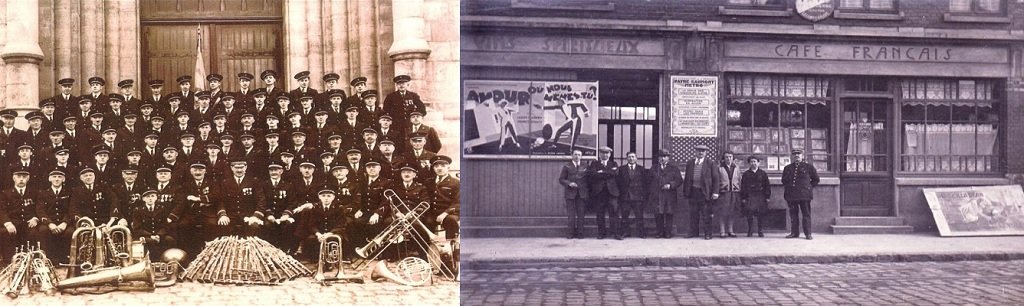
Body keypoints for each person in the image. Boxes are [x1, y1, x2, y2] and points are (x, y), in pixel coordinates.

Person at [682, 145, 720, 240]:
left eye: (702, 151)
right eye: (699, 151)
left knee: (706, 214)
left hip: (705, 192)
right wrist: (686, 191)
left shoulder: (710, 163)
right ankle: (693, 232)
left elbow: (716, 179)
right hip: (693, 191)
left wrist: (715, 192)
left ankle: (708, 234)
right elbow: (687, 178)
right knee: (693, 213)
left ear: (706, 152)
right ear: (695, 152)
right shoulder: (690, 163)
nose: (700, 153)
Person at [782, 149, 819, 240]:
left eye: (798, 154)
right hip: (792, 195)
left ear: (802, 156)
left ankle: (808, 233)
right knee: (793, 215)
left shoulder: (808, 167)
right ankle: (794, 233)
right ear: (792, 157)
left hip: (804, 195)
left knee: (806, 214)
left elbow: (816, 180)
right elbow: (784, 180)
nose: (796, 156)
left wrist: (808, 188)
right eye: (794, 155)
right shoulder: (787, 168)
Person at [587, 146, 620, 240]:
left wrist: (601, 172)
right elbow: (592, 174)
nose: (605, 155)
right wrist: (608, 173)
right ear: (600, 154)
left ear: (610, 154)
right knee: (600, 213)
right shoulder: (594, 163)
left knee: (614, 213)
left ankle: (615, 233)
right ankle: (602, 233)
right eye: (603, 153)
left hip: (612, 193)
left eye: (607, 153)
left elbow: (615, 173)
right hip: (599, 192)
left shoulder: (614, 163)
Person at [648, 149, 682, 238]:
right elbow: (649, 180)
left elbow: (679, 180)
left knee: (669, 213)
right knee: (658, 214)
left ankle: (668, 232)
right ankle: (659, 232)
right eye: (660, 157)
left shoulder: (674, 168)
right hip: (657, 195)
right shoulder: (654, 168)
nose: (662, 159)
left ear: (668, 158)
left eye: (664, 157)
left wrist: (670, 185)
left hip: (669, 195)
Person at [558, 149, 588, 239]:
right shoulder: (567, 166)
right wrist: (569, 183)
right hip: (570, 193)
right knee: (571, 214)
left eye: (579, 155)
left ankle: (580, 234)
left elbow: (588, 179)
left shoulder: (585, 165)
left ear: (581, 156)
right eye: (575, 154)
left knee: (581, 214)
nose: (577, 156)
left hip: (582, 193)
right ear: (572, 155)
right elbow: (561, 179)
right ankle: (570, 233)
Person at [616, 152, 647, 238]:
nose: (631, 158)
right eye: (629, 157)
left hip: (637, 196)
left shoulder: (641, 169)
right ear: (626, 158)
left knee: (639, 215)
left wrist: (643, 195)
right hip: (625, 196)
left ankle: (641, 232)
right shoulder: (621, 169)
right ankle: (625, 232)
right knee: (624, 216)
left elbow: (645, 183)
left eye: (633, 157)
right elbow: (618, 182)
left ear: (636, 158)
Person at [739, 156, 770, 238]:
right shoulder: (746, 174)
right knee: (749, 213)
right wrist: (743, 198)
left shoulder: (763, 173)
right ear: (749, 163)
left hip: (760, 196)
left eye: (755, 161)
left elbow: (767, 186)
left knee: (760, 214)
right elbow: (743, 186)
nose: (753, 163)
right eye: (751, 162)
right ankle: (750, 230)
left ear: (758, 163)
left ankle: (760, 230)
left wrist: (767, 197)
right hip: (750, 196)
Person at [716, 151, 742, 238]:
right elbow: (716, 181)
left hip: (734, 192)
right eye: (727, 157)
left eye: (730, 157)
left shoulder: (736, 168)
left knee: (732, 212)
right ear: (724, 158)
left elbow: (739, 179)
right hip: (723, 193)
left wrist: (739, 190)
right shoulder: (719, 168)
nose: (729, 159)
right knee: (722, 212)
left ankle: (731, 230)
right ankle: (722, 231)